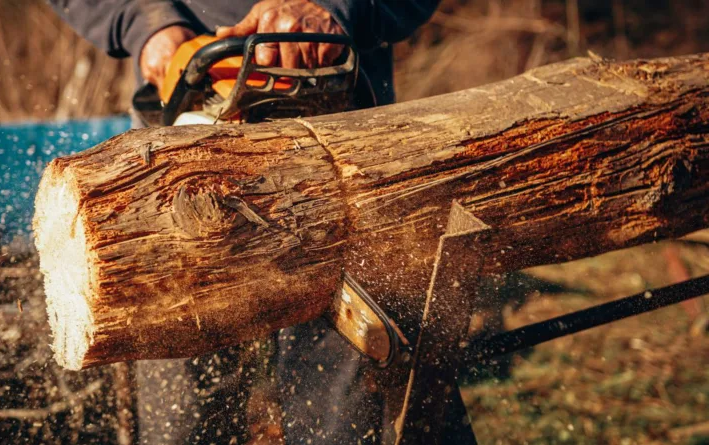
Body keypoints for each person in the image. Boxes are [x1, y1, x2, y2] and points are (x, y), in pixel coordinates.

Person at [46, 1, 441, 443]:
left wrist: (335, 7)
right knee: (184, 421)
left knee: (349, 416)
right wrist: (145, 21)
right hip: (178, 156)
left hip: (340, 143)